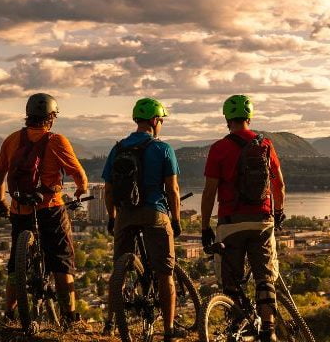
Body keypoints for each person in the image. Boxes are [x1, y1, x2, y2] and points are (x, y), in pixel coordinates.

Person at [0, 93, 87, 325]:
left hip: (20, 209)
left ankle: (9, 313)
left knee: (16, 264)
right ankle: (69, 317)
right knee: (62, 260)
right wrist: (80, 191)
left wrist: (0, 201)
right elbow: (79, 175)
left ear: (28, 115)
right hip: (50, 209)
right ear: (51, 118)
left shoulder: (12, 140)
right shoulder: (57, 141)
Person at [200, 94, 286, 342]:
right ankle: (268, 331)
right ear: (249, 117)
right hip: (262, 219)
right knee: (265, 277)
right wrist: (278, 213)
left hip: (230, 222)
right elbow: (279, 186)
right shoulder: (266, 145)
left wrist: (206, 226)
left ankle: (236, 326)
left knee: (231, 281)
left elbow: (209, 192)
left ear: (227, 118)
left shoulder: (219, 148)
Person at [103, 97, 185, 341]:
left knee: (119, 268)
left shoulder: (118, 149)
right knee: (164, 272)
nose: (161, 124)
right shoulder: (163, 149)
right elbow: (172, 190)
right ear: (154, 120)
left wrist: (112, 217)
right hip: (154, 213)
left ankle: (109, 323)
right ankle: (169, 329)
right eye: (161, 120)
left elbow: (108, 189)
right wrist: (177, 219)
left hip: (125, 215)